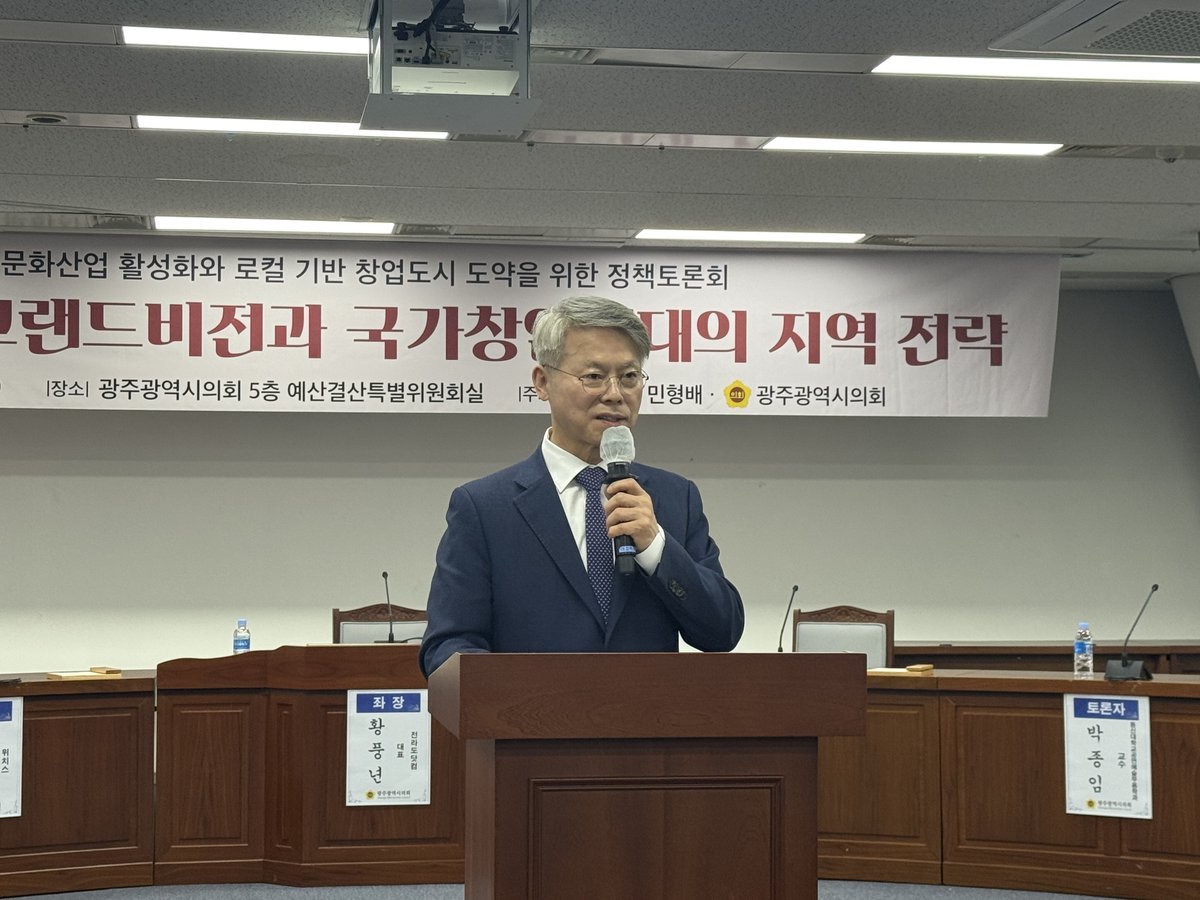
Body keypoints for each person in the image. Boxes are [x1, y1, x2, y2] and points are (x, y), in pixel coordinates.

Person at [418, 295, 744, 677]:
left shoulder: (674, 498)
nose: (615, 393)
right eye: (593, 376)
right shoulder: (484, 508)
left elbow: (723, 631)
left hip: (648, 714)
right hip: (529, 713)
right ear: (542, 382)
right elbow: (448, 645)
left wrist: (655, 547)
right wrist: (515, 696)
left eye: (629, 376)